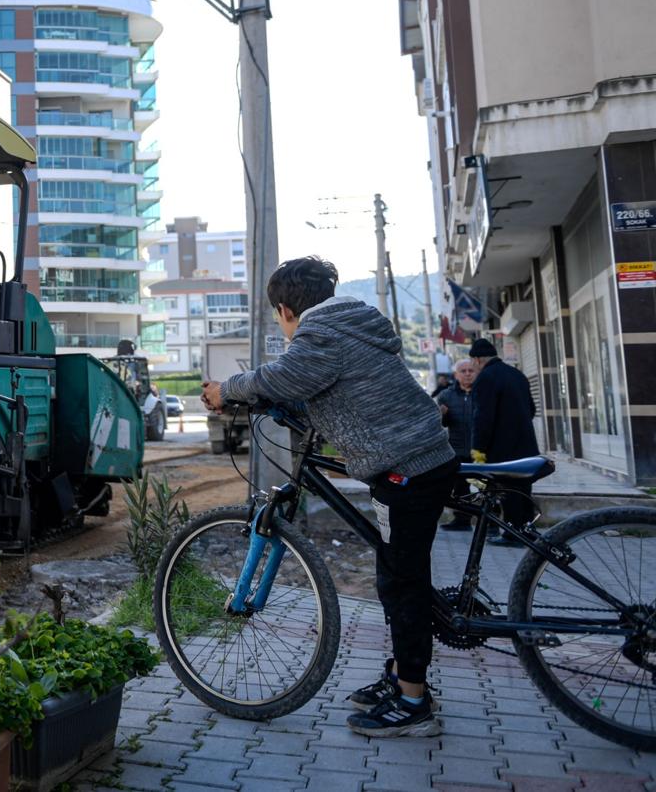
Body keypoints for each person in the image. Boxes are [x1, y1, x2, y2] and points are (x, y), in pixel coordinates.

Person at [201, 256, 454, 738]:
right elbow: (309, 387)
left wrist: (227, 390)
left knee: (403, 583)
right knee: (394, 574)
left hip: (410, 468)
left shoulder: (320, 334)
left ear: (284, 309)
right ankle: (402, 673)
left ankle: (413, 701)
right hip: (415, 459)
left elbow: (281, 376)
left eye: (278, 316)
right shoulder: (351, 324)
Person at [467, 337, 539, 545]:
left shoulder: (486, 378)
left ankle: (512, 533)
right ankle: (527, 530)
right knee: (523, 490)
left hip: (502, 448)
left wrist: (478, 448)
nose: (472, 366)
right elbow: (531, 409)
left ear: (478, 360)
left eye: (472, 362)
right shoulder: (517, 375)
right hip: (525, 444)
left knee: (507, 491)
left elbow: (482, 417)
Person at [435, 359, 478, 531]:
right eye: (463, 371)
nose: (467, 373)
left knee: (490, 487)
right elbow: (441, 424)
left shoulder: (484, 393)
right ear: (456, 375)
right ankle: (462, 520)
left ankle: (491, 523)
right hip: (458, 448)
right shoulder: (446, 395)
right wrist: (441, 415)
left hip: (481, 449)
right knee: (460, 487)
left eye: (471, 370)